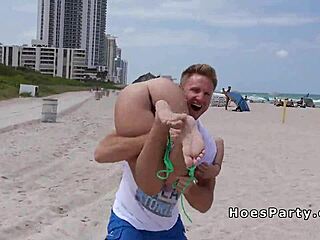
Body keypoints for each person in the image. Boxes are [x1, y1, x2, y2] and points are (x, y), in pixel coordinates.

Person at [95, 64, 224, 239]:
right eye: (195, 90)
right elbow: (101, 154)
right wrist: (158, 136)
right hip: (129, 222)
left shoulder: (204, 144)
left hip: (169, 227)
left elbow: (205, 203)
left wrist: (188, 187)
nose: (200, 97)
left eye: (207, 94)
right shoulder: (143, 124)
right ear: (179, 91)